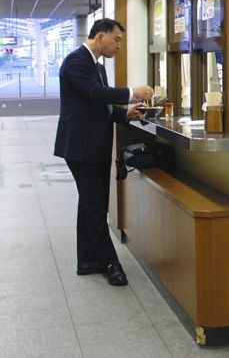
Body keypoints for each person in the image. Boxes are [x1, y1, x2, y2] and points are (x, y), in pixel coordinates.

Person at [54, 18, 154, 286]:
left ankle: (88, 260)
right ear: (100, 36)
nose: (119, 46)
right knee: (96, 205)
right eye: (117, 39)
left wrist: (126, 114)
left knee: (89, 203)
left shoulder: (97, 67)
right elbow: (97, 93)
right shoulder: (76, 61)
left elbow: (103, 106)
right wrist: (134, 92)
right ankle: (111, 262)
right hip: (80, 146)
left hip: (95, 145)